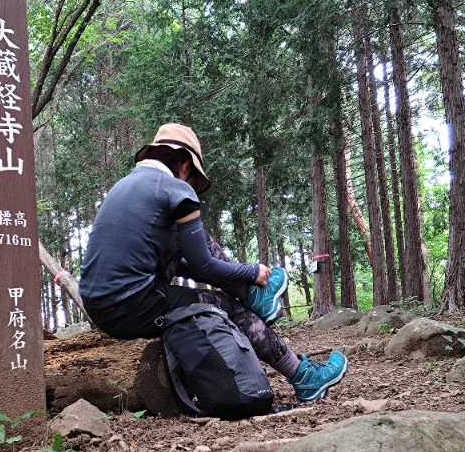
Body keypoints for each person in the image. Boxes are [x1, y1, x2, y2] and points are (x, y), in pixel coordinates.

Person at [79, 123, 347, 402]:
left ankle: (256, 297)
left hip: (103, 307)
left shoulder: (126, 186)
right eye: (193, 178)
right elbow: (203, 265)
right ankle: (300, 373)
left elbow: (185, 263)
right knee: (223, 305)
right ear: (184, 165)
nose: (192, 187)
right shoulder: (174, 190)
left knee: (184, 238)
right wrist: (251, 271)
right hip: (132, 305)